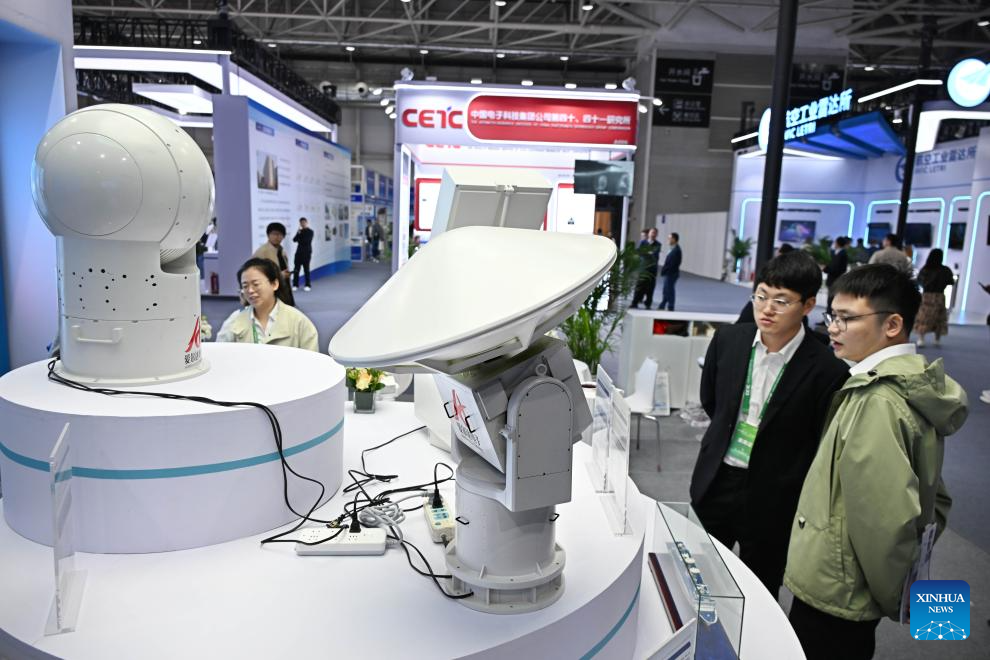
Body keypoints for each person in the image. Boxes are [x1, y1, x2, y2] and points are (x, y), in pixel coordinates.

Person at [785, 264, 968, 660]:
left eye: (847, 318)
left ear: (893, 324)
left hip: (839, 585)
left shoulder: (877, 400)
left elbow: (884, 519)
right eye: (832, 317)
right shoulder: (911, 384)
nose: (833, 328)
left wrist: (895, 596)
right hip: (851, 580)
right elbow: (934, 494)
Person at [691, 252, 849, 598]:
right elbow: (712, 401)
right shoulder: (729, 340)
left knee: (761, 589)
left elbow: (819, 439)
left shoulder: (828, 369)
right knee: (700, 577)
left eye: (782, 301)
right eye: (761, 296)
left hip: (774, 494)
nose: (767, 309)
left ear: (808, 305)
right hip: (717, 479)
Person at [216, 258, 319, 351]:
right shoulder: (235, 320)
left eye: (256, 284)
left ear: (274, 284)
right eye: (245, 286)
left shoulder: (299, 322)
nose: (250, 290)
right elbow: (220, 355)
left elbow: (312, 362)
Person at [913, 249, 954, 347]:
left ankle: (921, 339)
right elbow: (951, 282)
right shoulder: (945, 270)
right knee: (939, 318)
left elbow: (919, 281)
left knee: (924, 317)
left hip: (927, 296)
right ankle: (937, 339)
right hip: (939, 296)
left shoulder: (925, 269)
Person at [253, 222, 295, 307]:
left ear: (283, 236)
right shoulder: (262, 251)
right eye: (274, 234)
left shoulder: (281, 250)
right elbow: (257, 273)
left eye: (280, 234)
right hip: (270, 290)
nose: (277, 237)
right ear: (268, 235)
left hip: (283, 286)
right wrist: (280, 275)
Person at [631, 227, 661, 309]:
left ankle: (648, 304)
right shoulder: (643, 242)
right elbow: (639, 252)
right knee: (639, 286)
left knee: (650, 288)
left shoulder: (658, 244)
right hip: (643, 269)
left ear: (657, 234)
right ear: (649, 233)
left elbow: (655, 255)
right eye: (652, 232)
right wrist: (648, 253)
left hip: (652, 270)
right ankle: (634, 303)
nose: (653, 234)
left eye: (655, 233)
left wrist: (646, 253)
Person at [657, 232, 681, 310]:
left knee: (669, 290)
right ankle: (663, 304)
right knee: (666, 289)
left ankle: (671, 306)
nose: (668, 240)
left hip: (671, 273)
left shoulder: (676, 250)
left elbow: (674, 264)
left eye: (669, 238)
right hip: (668, 273)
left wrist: (666, 270)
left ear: (674, 239)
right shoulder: (672, 248)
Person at [292, 217, 315, 292]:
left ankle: (308, 285)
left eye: (304, 222)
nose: (302, 224)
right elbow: (294, 240)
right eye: (301, 223)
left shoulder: (310, 231)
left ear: (306, 222)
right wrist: (298, 233)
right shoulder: (299, 231)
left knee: (306, 269)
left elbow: (306, 241)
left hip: (306, 253)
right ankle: (295, 285)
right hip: (298, 253)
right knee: (296, 269)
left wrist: (299, 239)